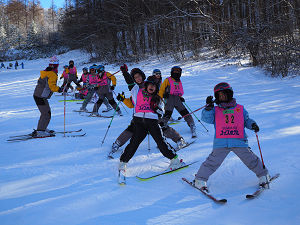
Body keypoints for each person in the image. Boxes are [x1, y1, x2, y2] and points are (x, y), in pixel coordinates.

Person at [192, 82, 270, 192]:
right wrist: (208, 108)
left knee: (251, 159)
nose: (222, 97)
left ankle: (263, 176)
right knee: (212, 162)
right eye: (219, 95)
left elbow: (246, 120)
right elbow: (207, 119)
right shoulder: (216, 110)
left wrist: (252, 124)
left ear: (230, 94)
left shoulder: (240, 108)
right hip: (221, 142)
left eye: (224, 94)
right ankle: (199, 180)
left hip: (238, 140)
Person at [108, 68, 187, 159]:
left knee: (162, 126)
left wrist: (158, 104)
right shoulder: (135, 89)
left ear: (143, 76)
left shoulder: (150, 84)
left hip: (152, 114)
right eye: (136, 77)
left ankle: (179, 139)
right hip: (139, 116)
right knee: (131, 128)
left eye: (139, 76)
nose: (138, 79)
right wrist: (123, 99)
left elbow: (159, 92)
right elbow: (131, 104)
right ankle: (118, 143)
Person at [118, 75, 185, 176]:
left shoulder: (157, 97)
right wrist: (124, 72)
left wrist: (156, 109)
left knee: (161, 141)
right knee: (134, 142)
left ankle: (175, 160)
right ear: (146, 85)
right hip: (139, 121)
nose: (152, 87)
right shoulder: (137, 91)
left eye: (154, 86)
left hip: (152, 122)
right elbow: (130, 82)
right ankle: (123, 163)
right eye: (150, 85)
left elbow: (161, 112)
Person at [159, 66, 197, 138]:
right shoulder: (168, 80)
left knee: (184, 112)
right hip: (169, 99)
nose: (176, 73)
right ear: (172, 72)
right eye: (175, 71)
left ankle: (191, 124)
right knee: (168, 114)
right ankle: (162, 126)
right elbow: (161, 89)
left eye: (178, 71)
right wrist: (161, 97)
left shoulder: (178, 81)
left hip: (177, 99)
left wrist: (180, 97)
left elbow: (179, 90)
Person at [32, 56, 63, 137]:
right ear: (57, 65)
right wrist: (59, 89)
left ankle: (42, 128)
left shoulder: (46, 72)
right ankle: (40, 131)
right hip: (40, 96)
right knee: (46, 114)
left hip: (39, 95)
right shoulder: (52, 74)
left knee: (46, 113)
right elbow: (52, 87)